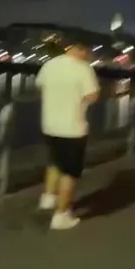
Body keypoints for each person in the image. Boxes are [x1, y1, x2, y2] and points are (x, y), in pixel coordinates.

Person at [34, 41, 100, 229]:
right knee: (69, 173)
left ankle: (48, 197)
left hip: (49, 125)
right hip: (72, 129)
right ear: (82, 50)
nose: (89, 55)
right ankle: (61, 215)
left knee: (55, 161)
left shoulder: (50, 64)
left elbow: (40, 85)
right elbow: (93, 96)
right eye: (88, 51)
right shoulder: (83, 69)